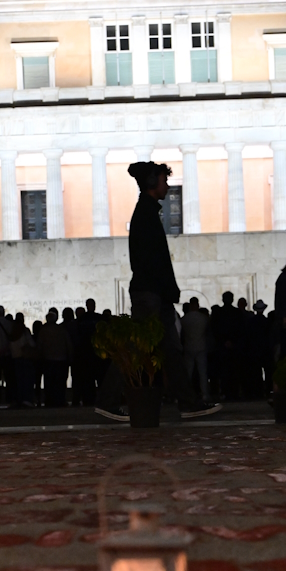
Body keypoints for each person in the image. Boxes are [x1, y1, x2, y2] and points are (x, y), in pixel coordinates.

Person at [94, 161, 220, 420]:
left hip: (155, 293)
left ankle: (187, 402)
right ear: (152, 183)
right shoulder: (145, 214)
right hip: (150, 293)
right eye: (164, 180)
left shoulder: (147, 212)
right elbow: (153, 261)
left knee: (172, 351)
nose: (167, 186)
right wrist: (167, 288)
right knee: (135, 347)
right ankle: (107, 400)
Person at [38, 308, 72, 407]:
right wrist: (70, 357)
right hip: (61, 359)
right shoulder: (61, 330)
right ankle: (60, 400)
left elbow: (40, 345)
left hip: (48, 360)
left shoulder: (43, 331)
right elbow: (68, 344)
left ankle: (49, 400)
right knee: (60, 382)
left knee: (49, 382)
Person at [181, 298, 211, 401]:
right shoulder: (203, 318)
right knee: (203, 372)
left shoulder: (184, 319)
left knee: (188, 373)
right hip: (201, 346)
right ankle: (205, 394)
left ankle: (187, 394)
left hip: (188, 347)